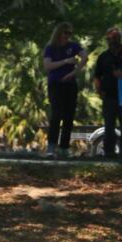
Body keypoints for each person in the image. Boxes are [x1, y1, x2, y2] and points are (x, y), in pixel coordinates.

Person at [42, 22, 87, 158]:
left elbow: (85, 56)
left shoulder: (73, 46)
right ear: (59, 33)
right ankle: (51, 148)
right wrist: (66, 61)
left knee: (69, 116)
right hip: (55, 84)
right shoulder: (50, 48)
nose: (68, 36)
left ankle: (64, 148)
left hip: (70, 84)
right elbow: (48, 66)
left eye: (70, 34)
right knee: (56, 115)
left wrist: (74, 72)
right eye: (66, 33)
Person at [94, 27, 122, 158]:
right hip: (109, 96)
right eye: (110, 38)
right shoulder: (103, 57)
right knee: (109, 126)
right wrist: (99, 90)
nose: (113, 40)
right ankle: (109, 152)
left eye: (115, 37)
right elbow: (97, 76)